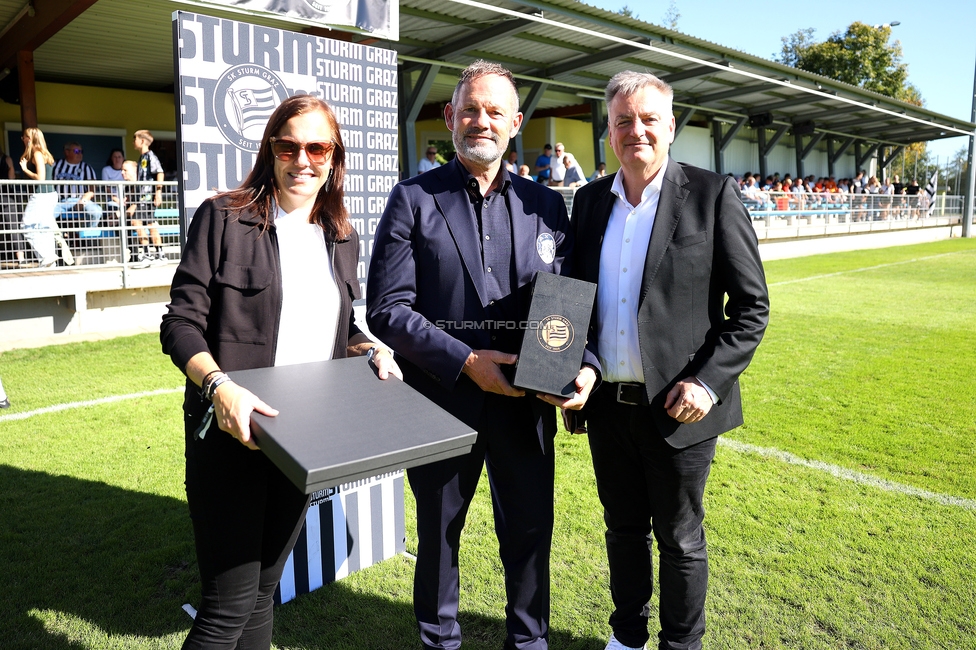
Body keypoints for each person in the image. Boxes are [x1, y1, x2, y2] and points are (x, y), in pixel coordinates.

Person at [366, 60, 598, 650]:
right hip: (442, 401)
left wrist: (579, 366)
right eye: (470, 108)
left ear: (516, 123)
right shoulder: (412, 200)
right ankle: (439, 640)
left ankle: (528, 641)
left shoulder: (548, 205)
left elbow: (567, 303)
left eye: (495, 111)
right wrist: (469, 360)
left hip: (526, 404)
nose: (481, 121)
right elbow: (388, 310)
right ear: (449, 117)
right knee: (441, 534)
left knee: (528, 532)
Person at [160, 94, 401, 650]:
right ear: (270, 148)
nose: (303, 159)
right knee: (226, 608)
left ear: (334, 158)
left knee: (265, 592)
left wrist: (370, 349)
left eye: (317, 147)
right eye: (289, 144)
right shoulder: (223, 217)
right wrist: (219, 386)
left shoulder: (340, 236)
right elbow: (180, 324)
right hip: (232, 438)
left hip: (302, 442)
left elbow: (341, 332)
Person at [568, 71, 769, 650]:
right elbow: (575, 301)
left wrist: (706, 383)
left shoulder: (711, 194)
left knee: (680, 538)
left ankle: (681, 644)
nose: (637, 130)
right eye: (624, 120)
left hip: (679, 407)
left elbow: (751, 308)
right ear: (609, 131)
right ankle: (627, 637)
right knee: (622, 531)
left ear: (671, 126)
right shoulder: (587, 203)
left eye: (649, 118)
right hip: (607, 406)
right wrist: (575, 365)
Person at [19, 128, 75, 267]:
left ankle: (46, 256)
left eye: (24, 137)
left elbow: (41, 178)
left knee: (26, 226)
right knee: (45, 228)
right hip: (49, 195)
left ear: (30, 139)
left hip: (41, 196)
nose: (23, 140)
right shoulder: (44, 153)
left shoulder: (37, 153)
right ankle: (49, 265)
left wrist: (25, 170)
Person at [130, 130, 166, 264]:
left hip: (147, 197)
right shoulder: (141, 158)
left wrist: (158, 192)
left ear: (143, 141)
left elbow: (160, 172)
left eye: (135, 139)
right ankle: (157, 253)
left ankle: (149, 252)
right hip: (141, 198)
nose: (133, 142)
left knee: (138, 222)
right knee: (148, 223)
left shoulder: (150, 156)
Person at [53, 141, 103, 229]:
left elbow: (92, 189)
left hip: (79, 200)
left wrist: (83, 201)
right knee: (44, 215)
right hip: (59, 202)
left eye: (81, 151)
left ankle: (86, 235)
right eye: (76, 151)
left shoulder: (87, 168)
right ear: (67, 152)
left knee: (96, 212)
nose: (80, 154)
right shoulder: (55, 165)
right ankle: (55, 237)